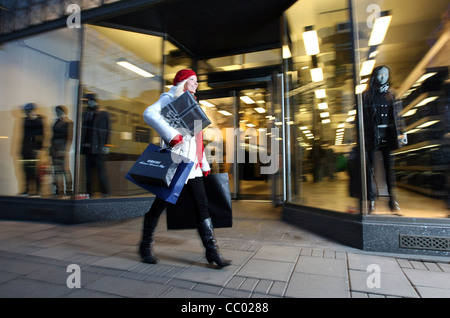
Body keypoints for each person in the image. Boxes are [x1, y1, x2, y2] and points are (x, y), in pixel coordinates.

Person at [139, 69, 232, 268]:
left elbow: (197, 139)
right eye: (192, 80)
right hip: (176, 163)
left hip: (193, 167)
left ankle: (212, 251)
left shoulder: (192, 103)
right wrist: (172, 135)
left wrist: (204, 164)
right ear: (182, 81)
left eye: (197, 81)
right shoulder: (169, 97)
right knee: (160, 205)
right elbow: (149, 113)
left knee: (202, 206)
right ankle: (145, 246)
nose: (196, 83)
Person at [362, 65, 407, 214]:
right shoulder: (366, 95)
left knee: (389, 169)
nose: (383, 77)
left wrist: (402, 132)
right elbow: (362, 118)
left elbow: (398, 115)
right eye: (380, 75)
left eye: (386, 75)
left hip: (388, 135)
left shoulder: (392, 95)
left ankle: (392, 201)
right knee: (371, 170)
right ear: (375, 76)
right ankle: (371, 201)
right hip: (372, 135)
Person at [81, 92, 111, 198]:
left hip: (98, 146)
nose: (87, 102)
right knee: (88, 172)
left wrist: (106, 144)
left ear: (92, 100)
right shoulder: (86, 113)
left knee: (100, 171)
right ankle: (89, 192)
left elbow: (107, 129)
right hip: (87, 147)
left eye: (88, 100)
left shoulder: (103, 113)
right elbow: (83, 130)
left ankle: (105, 192)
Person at [20, 103, 44, 196]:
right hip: (25, 147)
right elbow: (23, 135)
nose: (26, 113)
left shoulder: (39, 120)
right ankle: (27, 189)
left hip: (34, 148)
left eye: (27, 111)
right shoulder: (25, 120)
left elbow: (42, 135)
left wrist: (39, 148)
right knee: (25, 169)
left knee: (35, 170)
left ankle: (38, 190)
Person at [50, 105, 73, 197]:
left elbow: (69, 137)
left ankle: (69, 189)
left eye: (59, 111)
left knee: (65, 170)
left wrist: (65, 149)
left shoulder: (68, 122)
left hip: (62, 147)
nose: (57, 113)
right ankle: (59, 189)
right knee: (57, 170)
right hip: (54, 148)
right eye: (57, 111)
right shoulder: (56, 122)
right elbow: (52, 136)